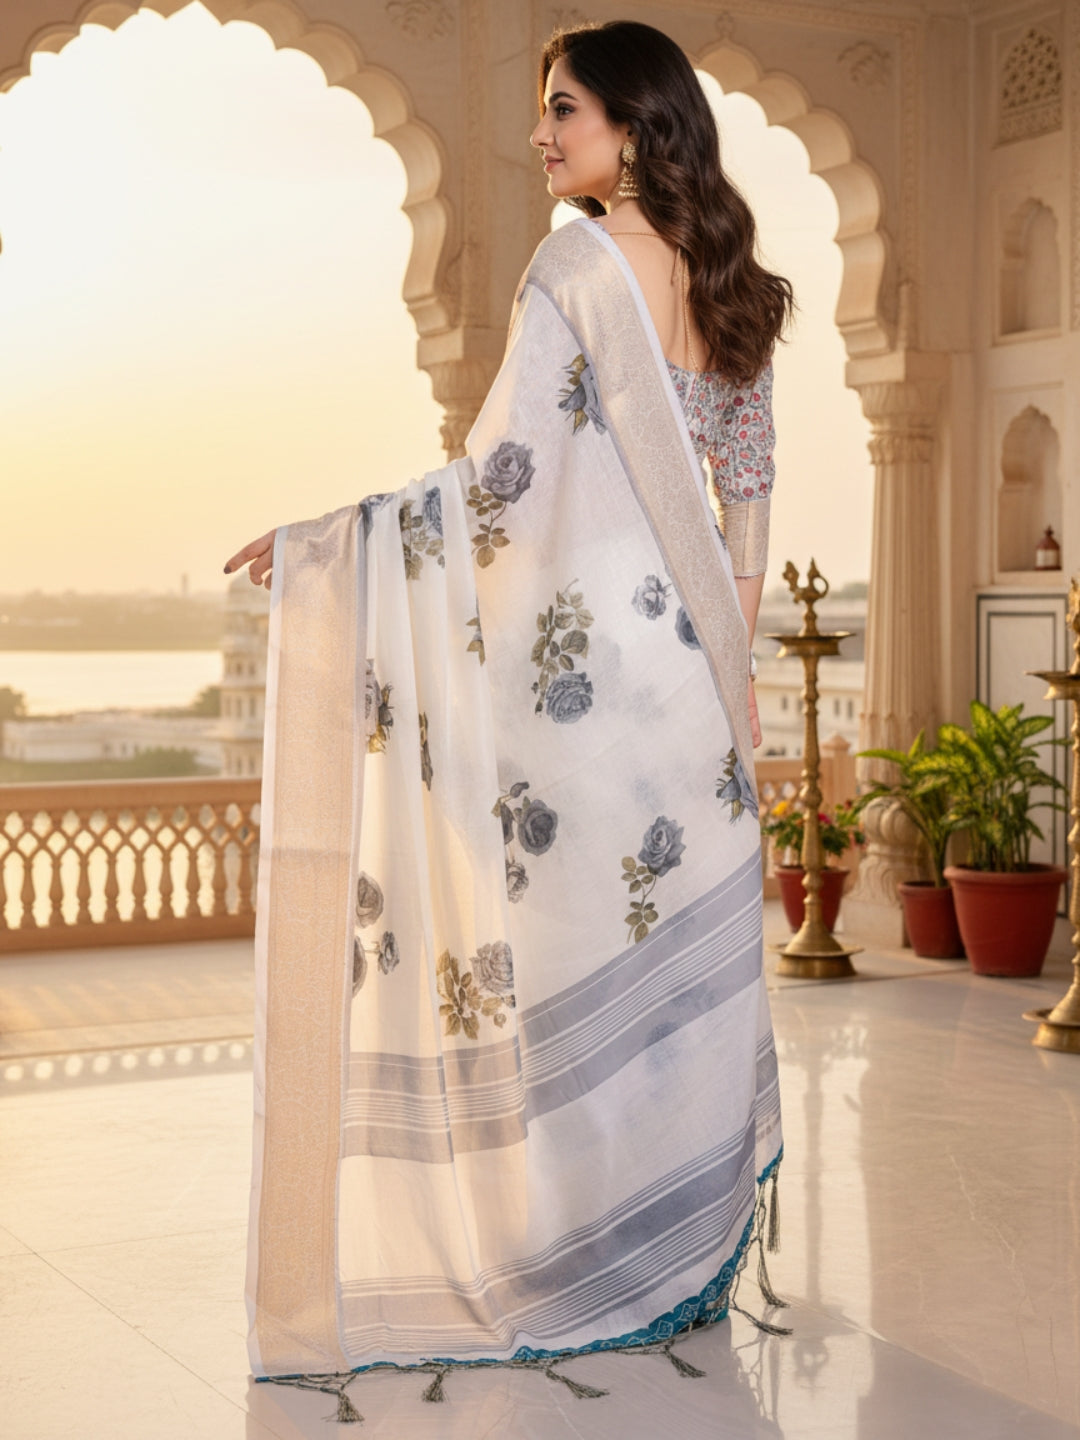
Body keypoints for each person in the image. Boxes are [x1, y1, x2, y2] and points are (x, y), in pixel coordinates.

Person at [230, 20, 793, 1411]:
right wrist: (733, 678)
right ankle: (667, 1257)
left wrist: (333, 547)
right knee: (665, 971)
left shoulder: (575, 267)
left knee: (566, 948)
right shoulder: (738, 285)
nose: (541, 135)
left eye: (564, 111)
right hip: (689, 692)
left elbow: (493, 482)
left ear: (634, 127)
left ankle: (578, 1257)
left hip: (580, 681)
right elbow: (746, 512)